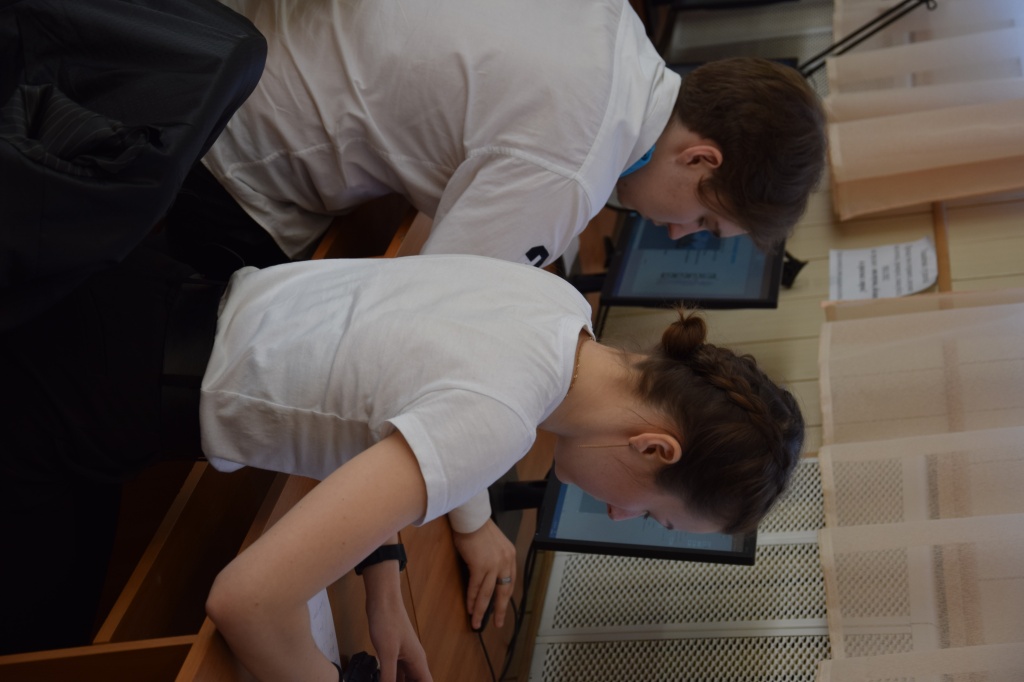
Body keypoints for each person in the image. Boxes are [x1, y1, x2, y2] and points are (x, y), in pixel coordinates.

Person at [1, 247, 803, 680]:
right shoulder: (499, 422)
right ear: (654, 448)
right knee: (49, 648)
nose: (623, 516)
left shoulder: (559, 307)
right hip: (90, 388)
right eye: (653, 512)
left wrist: (382, 582)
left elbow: (372, 386)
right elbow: (247, 601)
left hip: (143, 294)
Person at [162, 0, 827, 278]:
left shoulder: (613, 19)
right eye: (705, 220)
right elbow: (425, 321)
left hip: (200, 32)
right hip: (224, 152)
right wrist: (474, 514)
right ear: (700, 157)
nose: (680, 233)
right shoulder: (575, 172)